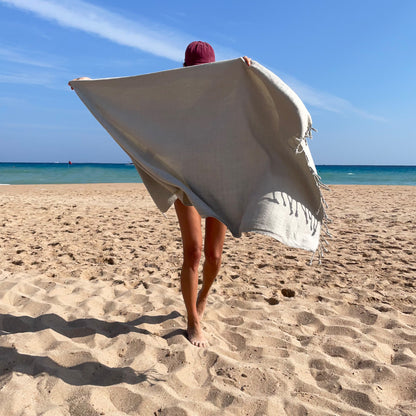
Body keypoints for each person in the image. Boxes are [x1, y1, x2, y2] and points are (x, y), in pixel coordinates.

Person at [70, 41, 251, 347]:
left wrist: (248, 74)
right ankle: (193, 321)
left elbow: (254, 107)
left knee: (215, 257)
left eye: (205, 70)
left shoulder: (226, 97)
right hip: (184, 183)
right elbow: (135, 102)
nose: (199, 75)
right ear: (185, 70)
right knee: (194, 252)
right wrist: (91, 88)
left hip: (220, 182)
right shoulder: (175, 98)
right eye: (194, 70)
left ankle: (203, 299)